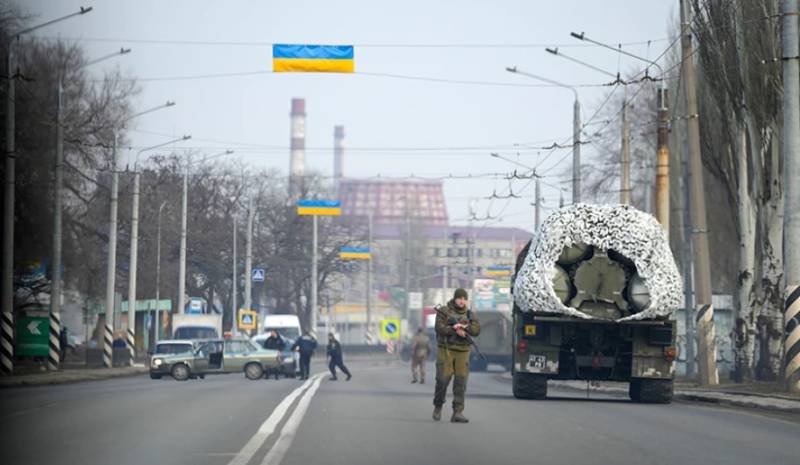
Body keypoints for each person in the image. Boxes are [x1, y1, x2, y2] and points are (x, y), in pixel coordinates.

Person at [432, 288, 480, 423]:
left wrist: (465, 328)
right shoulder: (445, 311)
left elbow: (476, 330)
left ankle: (457, 412)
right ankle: (438, 405)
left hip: (463, 351)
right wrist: (454, 330)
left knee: (461, 382)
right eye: (460, 298)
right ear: (455, 298)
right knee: (442, 380)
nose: (462, 301)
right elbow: (439, 328)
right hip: (446, 349)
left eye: (464, 299)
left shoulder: (470, 314)